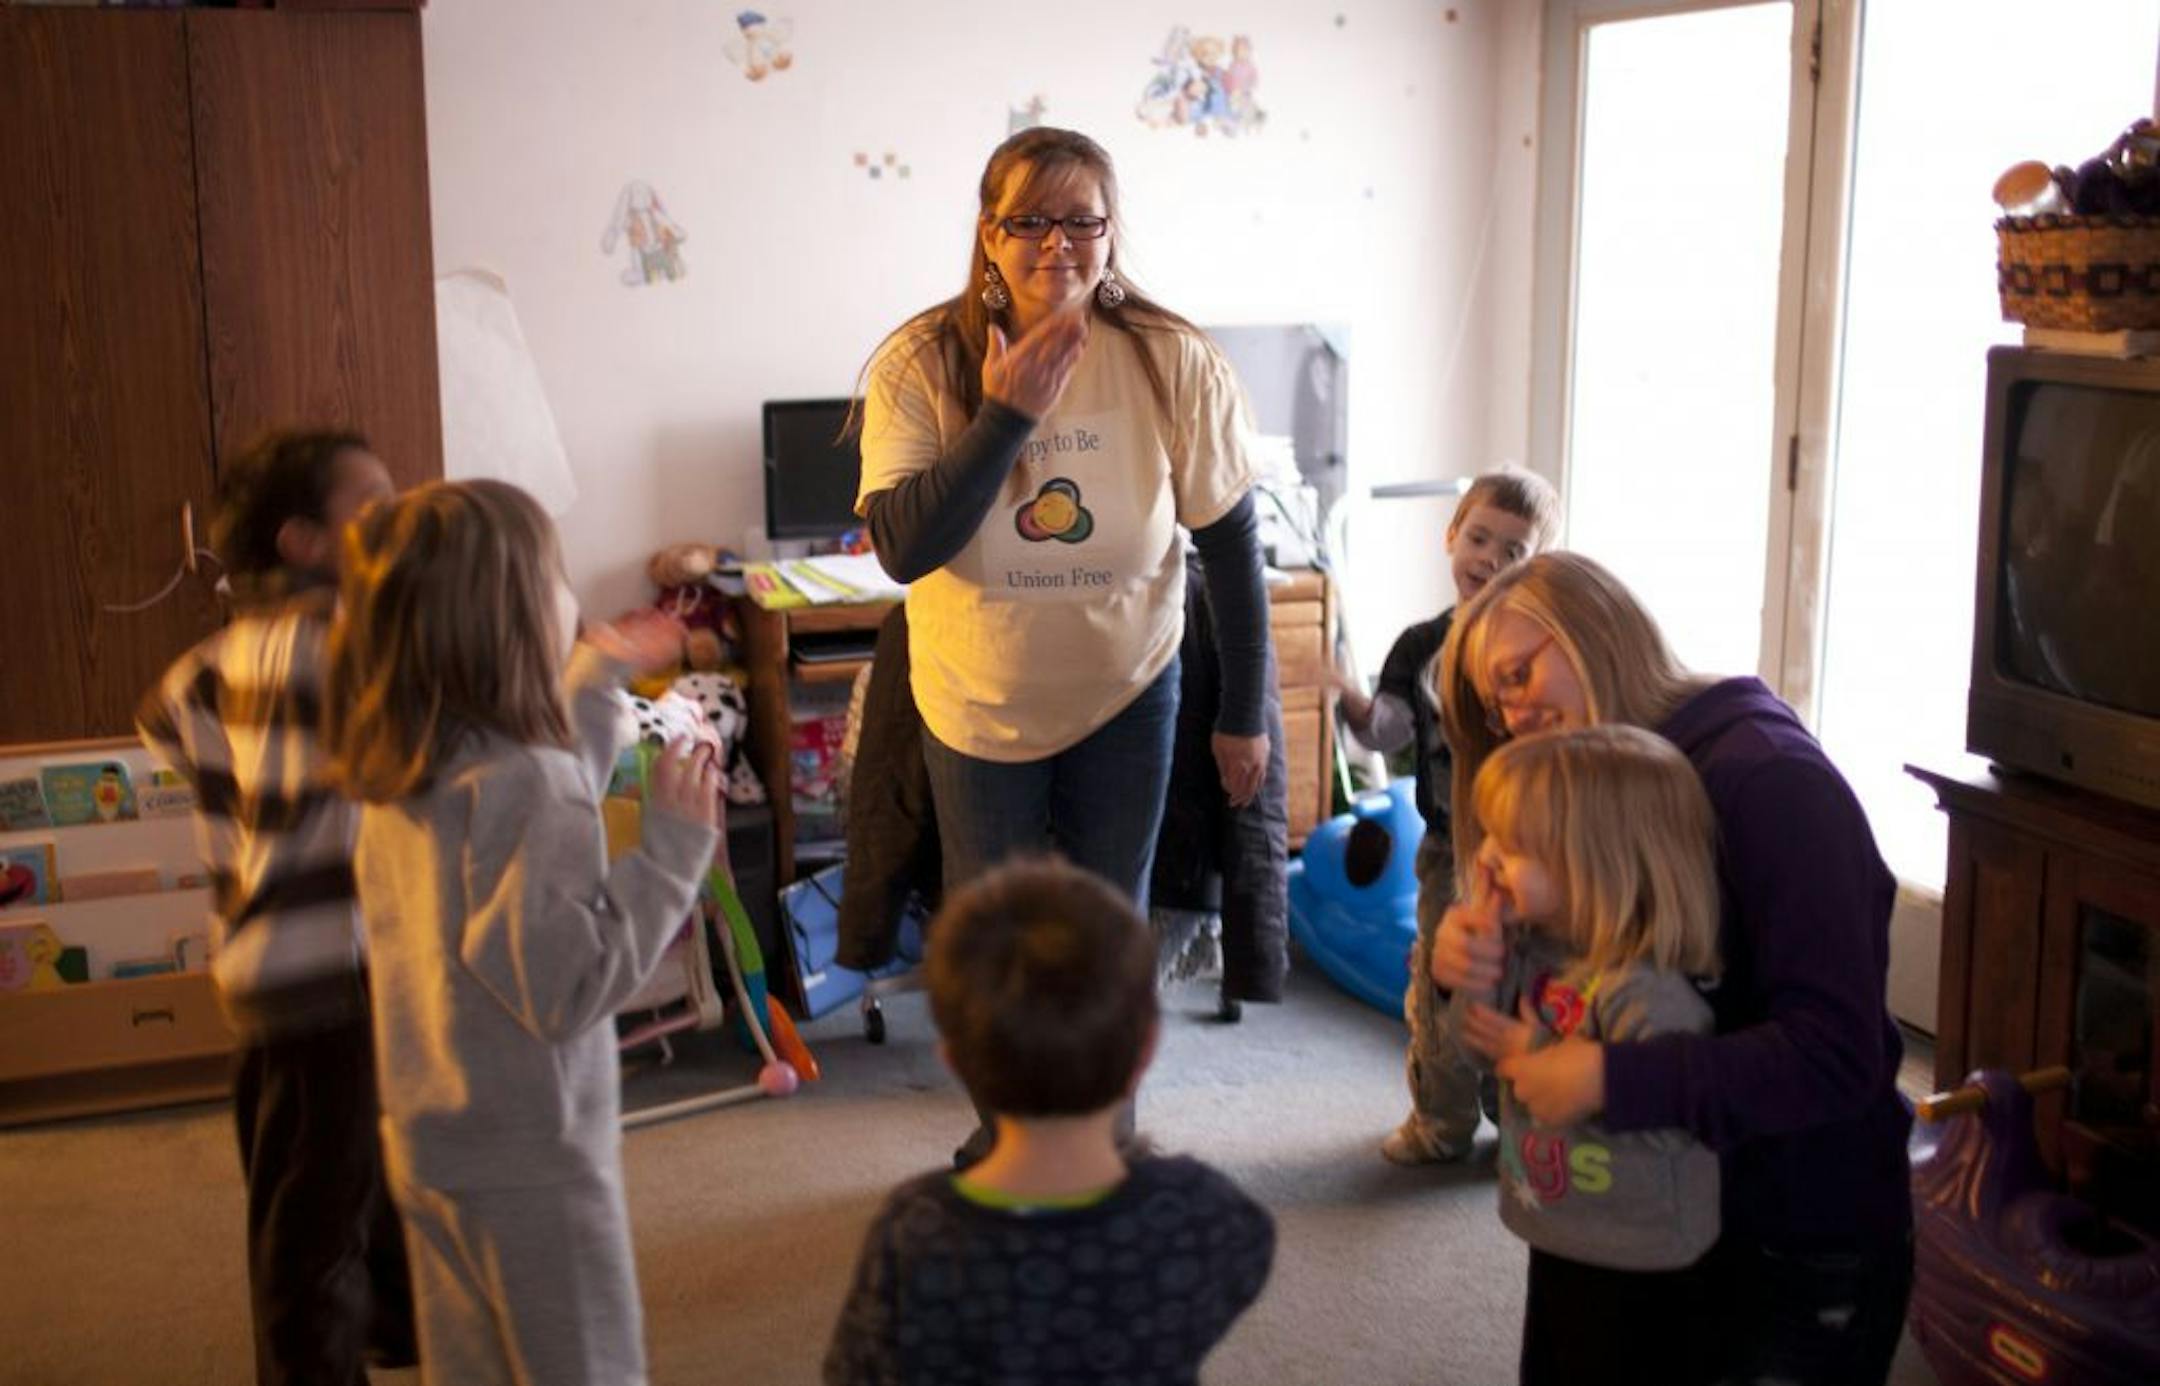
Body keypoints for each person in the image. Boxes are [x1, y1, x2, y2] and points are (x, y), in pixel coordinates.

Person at [854, 124, 1273, 1159]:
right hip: (974, 703)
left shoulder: (1171, 359)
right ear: (989, 236)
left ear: (1109, 230)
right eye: (1028, 220)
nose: (1056, 243)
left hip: (1126, 692)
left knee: (1104, 938)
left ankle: (1096, 1145)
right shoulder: (922, 361)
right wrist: (1003, 416)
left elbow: (1230, 543)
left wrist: (1242, 712)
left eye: (1079, 219)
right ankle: (1006, 1144)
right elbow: (907, 550)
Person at [1431, 552, 1913, 1385]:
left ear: (1594, 631)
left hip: (1789, 1233)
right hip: (1632, 1214)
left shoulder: (1771, 785)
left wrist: (1613, 1080)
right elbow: (1541, 1006)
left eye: (1517, 672)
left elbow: (1838, 1054)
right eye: (1493, 701)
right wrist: (1463, 965)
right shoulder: (1589, 803)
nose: (1511, 713)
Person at [323, 479, 722, 1386]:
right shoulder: (527, 782)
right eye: (554, 578)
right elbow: (568, 988)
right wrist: (670, 853)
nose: (571, 598)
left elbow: (532, 811)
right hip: (532, 1156)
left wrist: (596, 678)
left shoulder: (411, 768)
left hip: (430, 1138)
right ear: (505, 616)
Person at [135, 428, 413, 1386]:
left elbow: (165, 713)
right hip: (321, 974)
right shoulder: (337, 643)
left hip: (280, 964)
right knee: (311, 1226)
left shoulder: (219, 656)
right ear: (304, 541)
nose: (400, 516)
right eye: (374, 506)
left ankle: (396, 1324)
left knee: (349, 1169)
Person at [823, 858, 1276, 1386]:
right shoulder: (1199, 1211)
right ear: (1145, 1053)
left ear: (956, 1062)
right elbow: (1248, 1258)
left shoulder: (914, 1231)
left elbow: (854, 1375)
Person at [1453, 726, 1723, 1386]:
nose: (1485, 858)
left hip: (1642, 1254)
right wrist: (1480, 964)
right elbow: (1477, 1045)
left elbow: (1675, 1120)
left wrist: (1540, 1051)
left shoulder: (1648, 991)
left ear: (1589, 866)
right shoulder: (1540, 953)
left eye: (1510, 847)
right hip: (1564, 1223)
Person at [1332, 466, 1559, 1163]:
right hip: (1450, 851)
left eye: (1512, 551)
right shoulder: (1421, 644)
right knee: (1442, 982)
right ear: (1451, 536)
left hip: (1532, 857)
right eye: (1480, 538)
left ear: (1537, 565)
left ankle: (1517, 1114)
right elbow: (1389, 735)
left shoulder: (1538, 650)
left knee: (1524, 986)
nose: (1489, 559)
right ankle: (1442, 1120)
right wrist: (1356, 704)